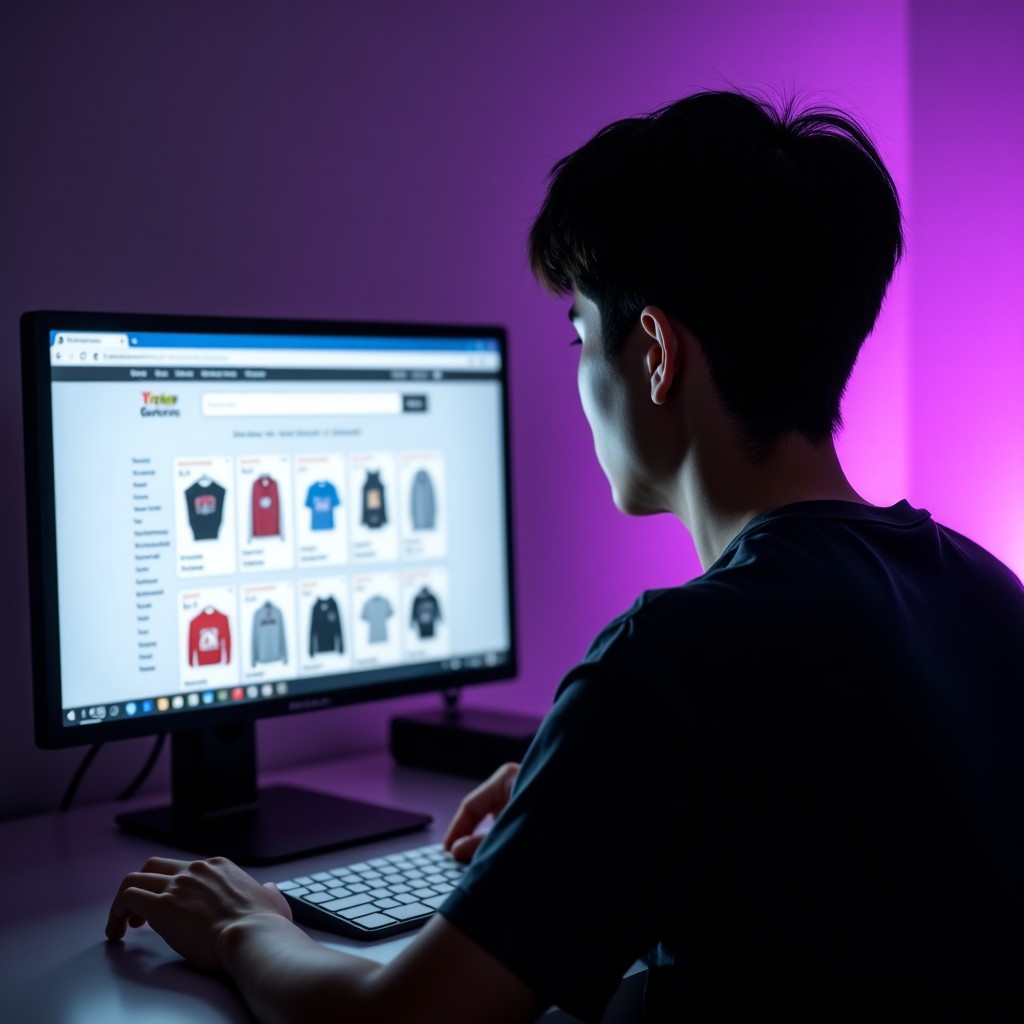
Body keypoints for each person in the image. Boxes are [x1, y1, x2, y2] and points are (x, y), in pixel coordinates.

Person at [107, 89, 1024, 1022]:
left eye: (583, 334)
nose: (582, 380)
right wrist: (588, 796)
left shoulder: (673, 661)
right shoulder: (988, 591)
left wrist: (244, 926)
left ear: (656, 354)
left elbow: (401, 1022)